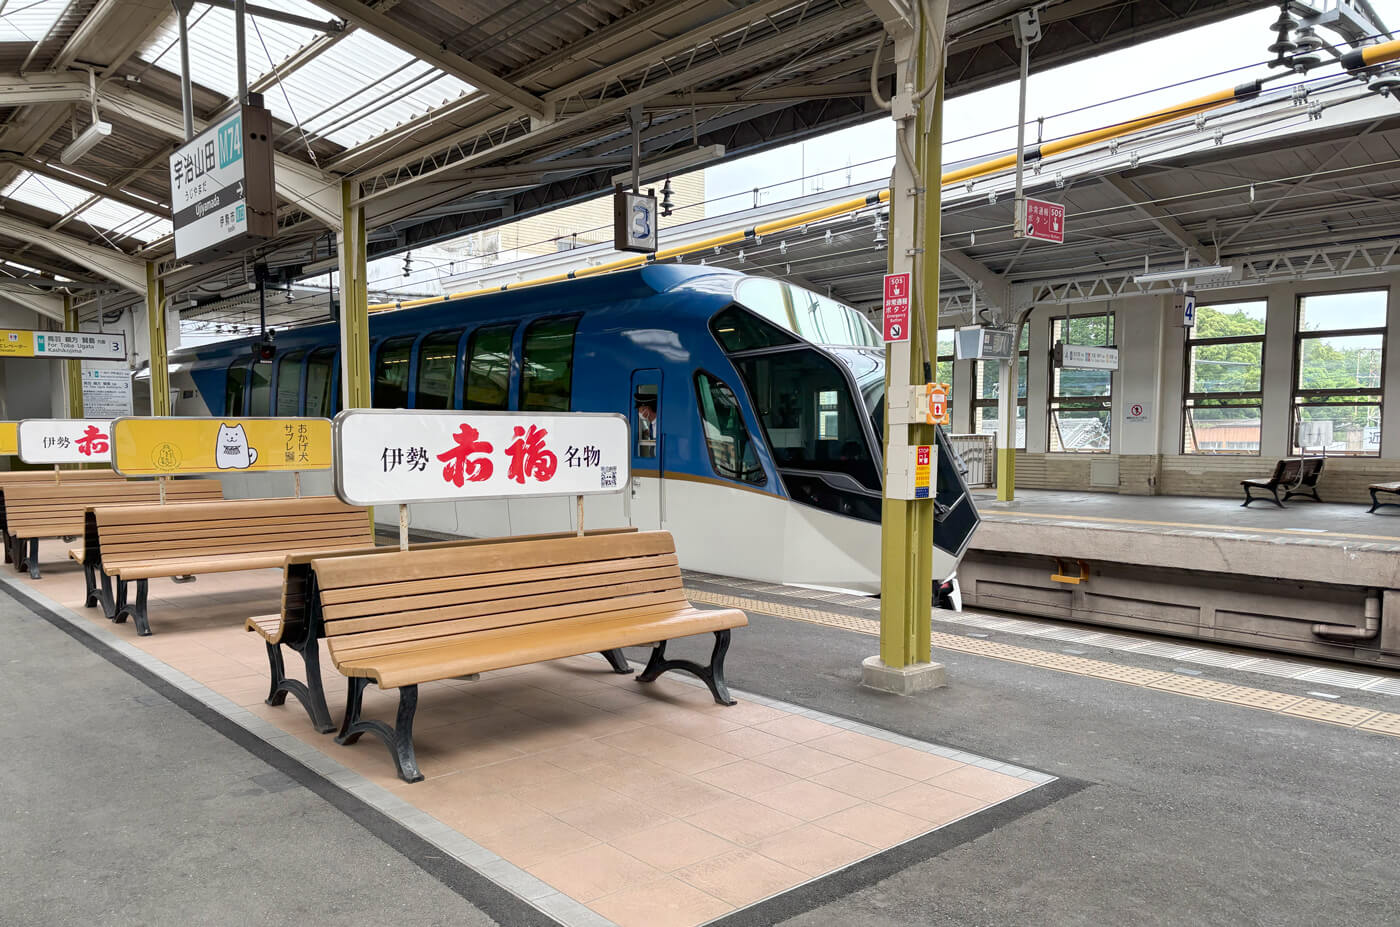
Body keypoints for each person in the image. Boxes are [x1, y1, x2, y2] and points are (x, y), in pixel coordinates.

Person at [635, 391, 658, 458]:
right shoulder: (652, 424)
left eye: (641, 410)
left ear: (647, 409)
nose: (639, 413)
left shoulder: (658, 425)